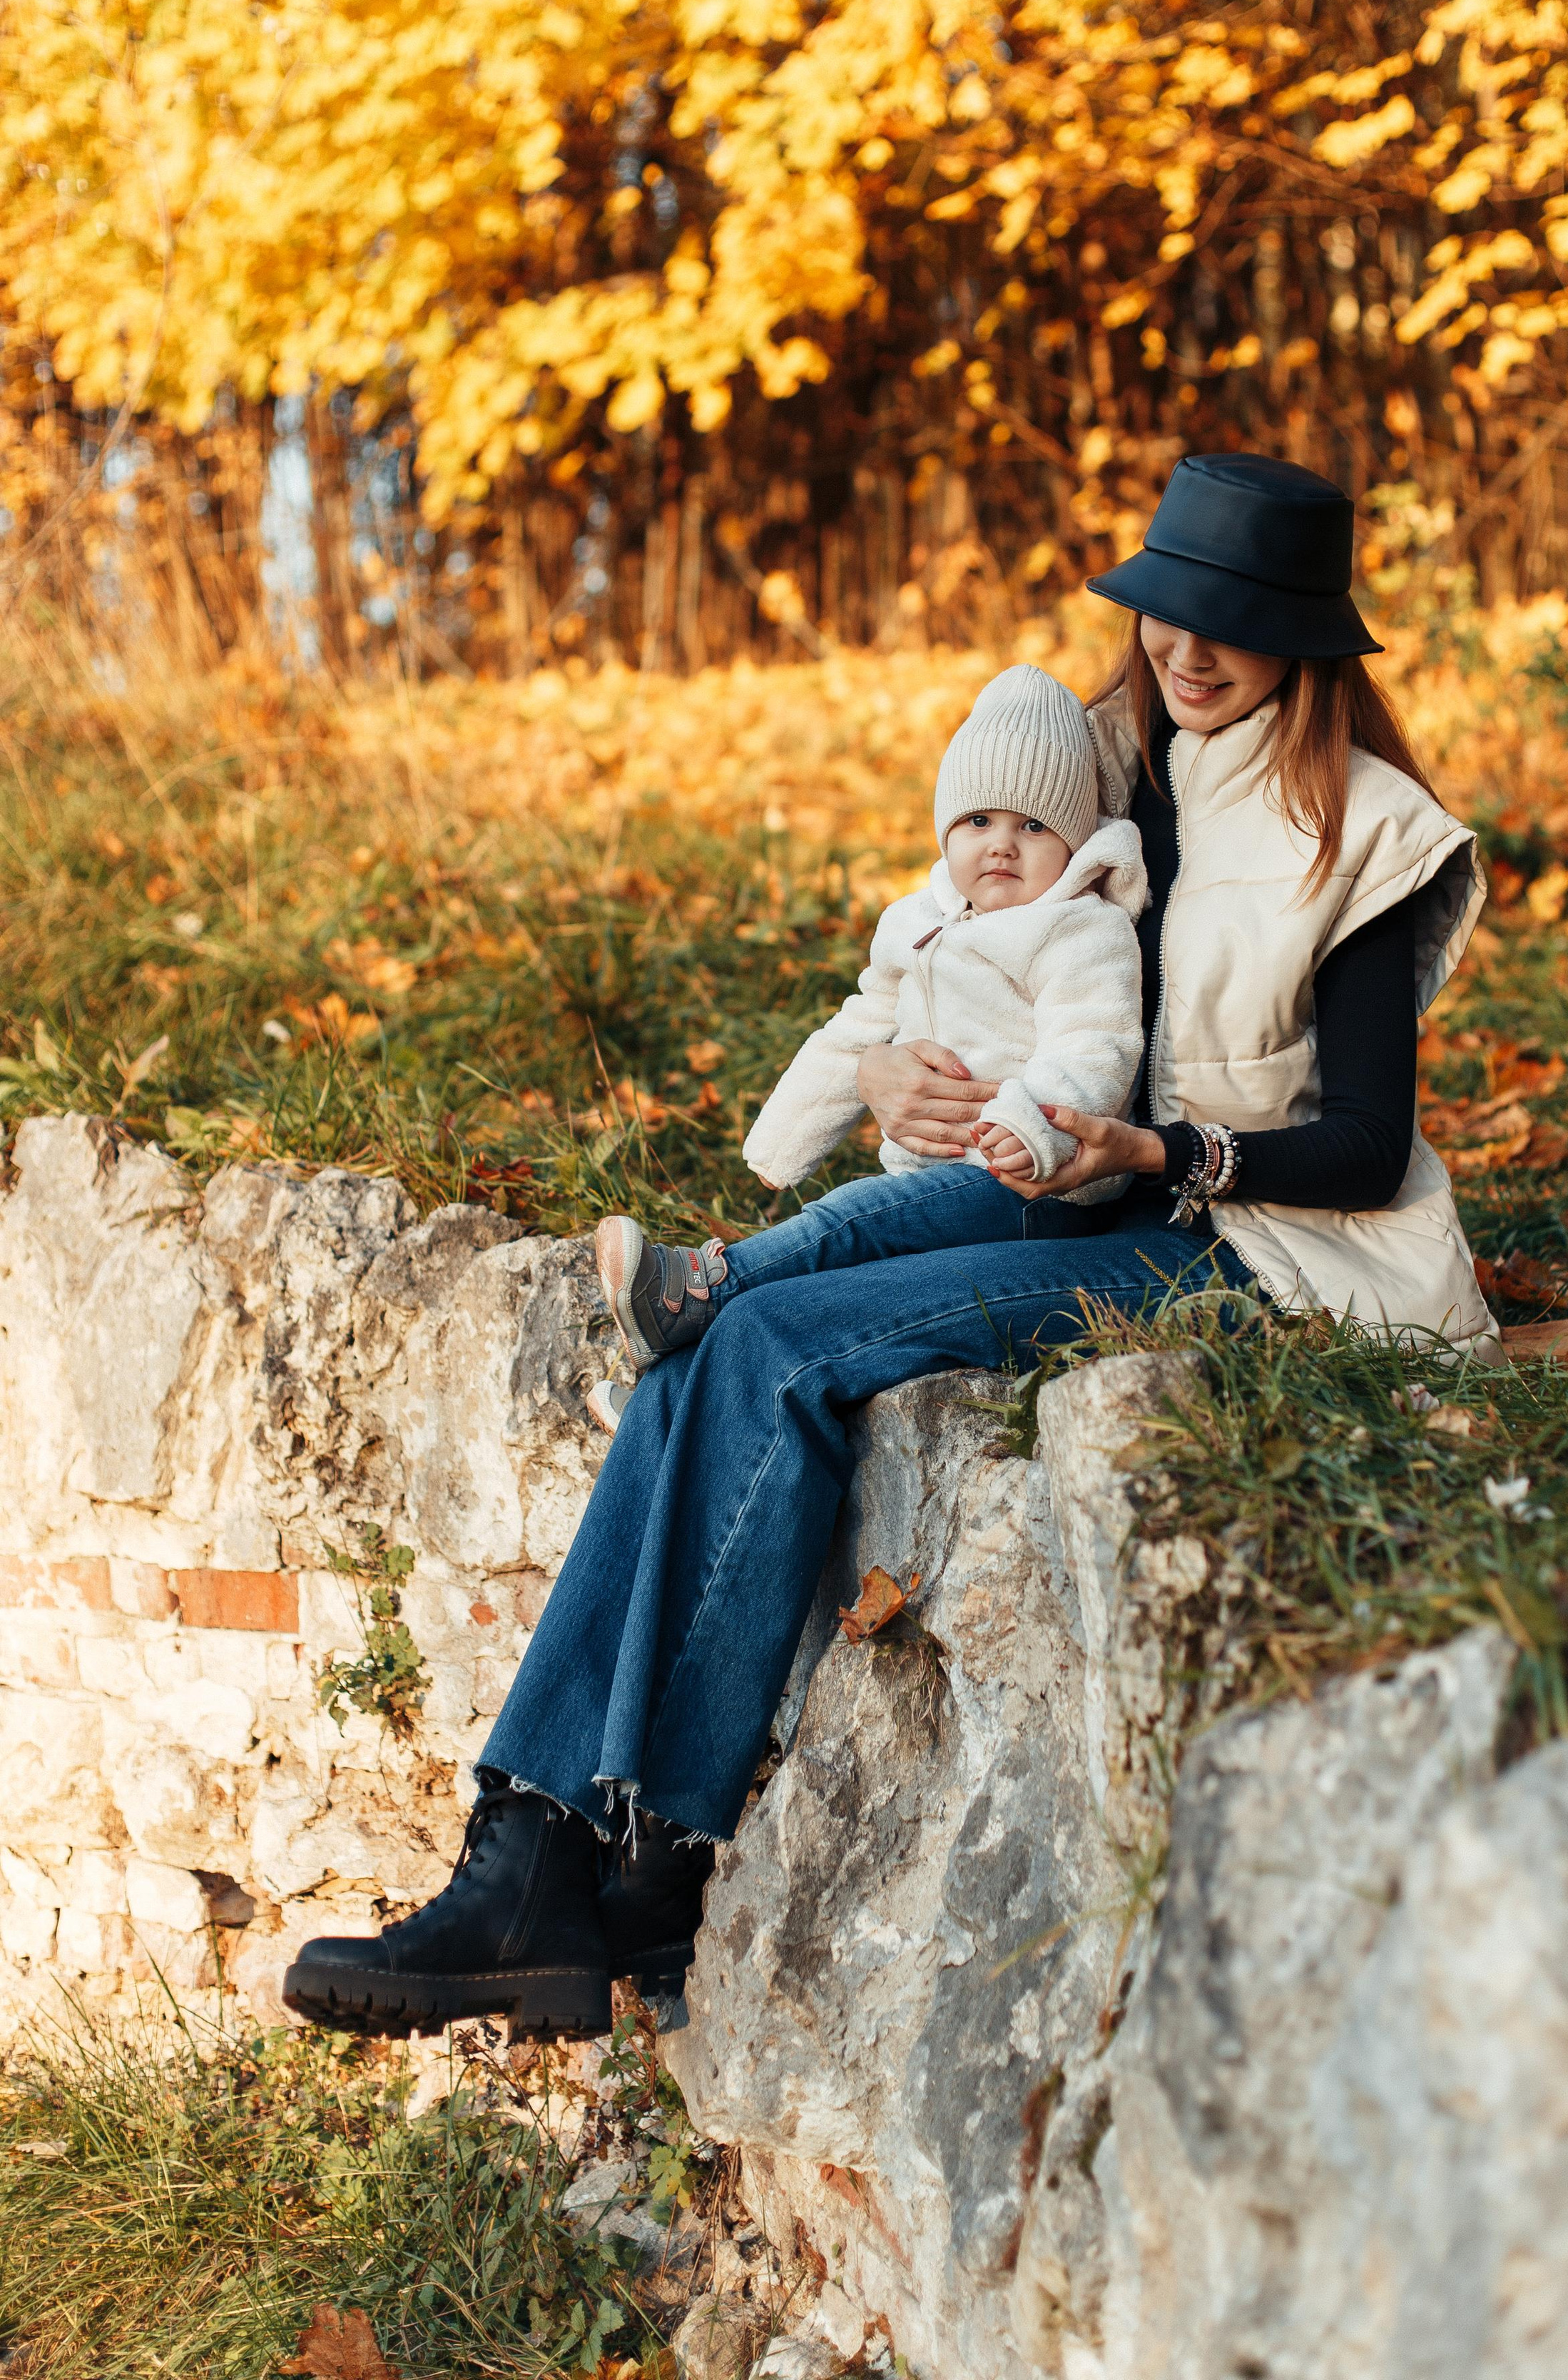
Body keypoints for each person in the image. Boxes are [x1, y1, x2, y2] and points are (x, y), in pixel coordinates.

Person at [282, 451, 1495, 2045]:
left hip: (1260, 1254)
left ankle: (623, 1867)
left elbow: (1356, 1145)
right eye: (1160, 619)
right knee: (709, 1340)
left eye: (1232, 628)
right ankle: (560, 1854)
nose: (1186, 656)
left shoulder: (1363, 829)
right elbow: (951, 952)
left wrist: (1152, 1149)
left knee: (780, 1345)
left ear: (1310, 643)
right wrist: (881, 1075)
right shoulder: (1102, 762)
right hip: (1067, 1189)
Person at [591, 662, 1148, 1399]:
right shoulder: (916, 925)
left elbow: (1096, 1043)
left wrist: (1031, 1125)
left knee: (848, 1223)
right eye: (979, 822)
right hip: (929, 1176)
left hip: (1032, 1191)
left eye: (1033, 826)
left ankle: (699, 1283)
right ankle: (668, 1380)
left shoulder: (1082, 931)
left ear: (1075, 841)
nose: (1001, 846)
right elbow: (855, 1031)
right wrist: (782, 1143)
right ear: (947, 829)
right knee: (851, 1256)